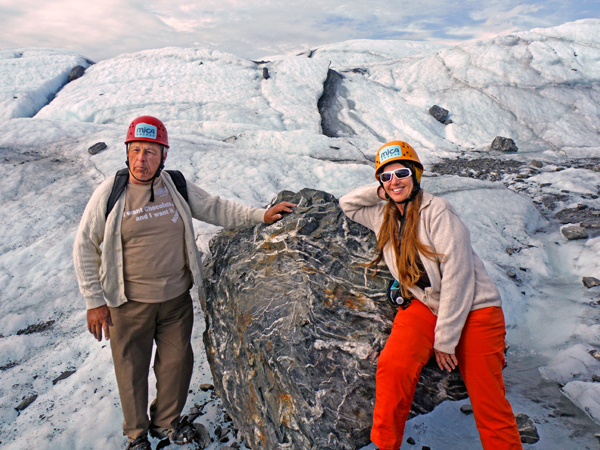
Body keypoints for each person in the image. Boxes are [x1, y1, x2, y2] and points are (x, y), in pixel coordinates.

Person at [73, 116, 295, 450]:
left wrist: (259, 216)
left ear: (163, 155)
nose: (141, 160)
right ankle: (136, 435)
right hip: (128, 303)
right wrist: (94, 302)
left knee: (177, 364)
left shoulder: (174, 185)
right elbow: (85, 246)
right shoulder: (111, 193)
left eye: (150, 152)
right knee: (131, 370)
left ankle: (165, 424)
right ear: (126, 152)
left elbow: (214, 207)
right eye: (135, 150)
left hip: (176, 299)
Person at [339, 141, 522, 450]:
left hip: (476, 309)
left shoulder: (438, 211)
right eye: (386, 176)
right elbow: (348, 204)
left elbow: (458, 275)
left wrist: (445, 340)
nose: (394, 180)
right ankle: (386, 445)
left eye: (401, 172)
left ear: (416, 175)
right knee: (392, 369)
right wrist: (381, 192)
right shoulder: (383, 216)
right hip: (426, 305)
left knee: (488, 400)